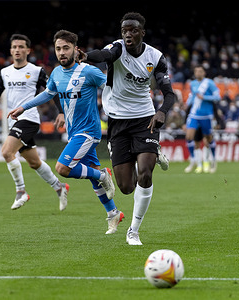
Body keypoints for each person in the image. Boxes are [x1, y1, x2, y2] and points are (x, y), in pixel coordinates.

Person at [8, 30, 124, 235]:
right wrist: (23, 108)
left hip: (89, 131)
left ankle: (103, 175)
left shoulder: (89, 71)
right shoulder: (57, 73)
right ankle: (113, 212)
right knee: (92, 178)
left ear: (75, 50)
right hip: (74, 132)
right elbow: (47, 94)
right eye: (58, 48)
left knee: (62, 168)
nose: (62, 52)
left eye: (66, 48)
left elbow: (113, 87)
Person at [78, 12, 175, 245]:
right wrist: (86, 56)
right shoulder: (118, 48)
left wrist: (162, 111)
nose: (128, 35)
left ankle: (133, 230)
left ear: (142, 32)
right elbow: (104, 54)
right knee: (126, 187)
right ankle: (151, 152)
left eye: (133, 30)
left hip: (145, 119)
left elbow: (170, 93)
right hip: (118, 121)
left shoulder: (156, 57)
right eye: (124, 31)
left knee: (145, 173)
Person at [0, 34, 69, 211]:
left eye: (21, 47)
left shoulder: (36, 71)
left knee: (7, 152)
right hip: (13, 121)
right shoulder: (5, 72)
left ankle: (20, 191)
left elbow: (52, 91)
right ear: (11, 50)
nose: (17, 50)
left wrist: (61, 112)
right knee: (34, 162)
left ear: (27, 50)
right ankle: (59, 186)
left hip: (29, 119)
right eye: (14, 47)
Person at [184, 65, 220, 173]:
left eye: (200, 71)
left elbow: (218, 97)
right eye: (196, 71)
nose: (198, 73)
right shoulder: (192, 84)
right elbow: (193, 97)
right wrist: (187, 103)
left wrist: (205, 97)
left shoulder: (209, 83)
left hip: (206, 115)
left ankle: (213, 160)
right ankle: (194, 160)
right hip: (194, 114)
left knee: (208, 139)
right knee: (189, 137)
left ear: (204, 73)